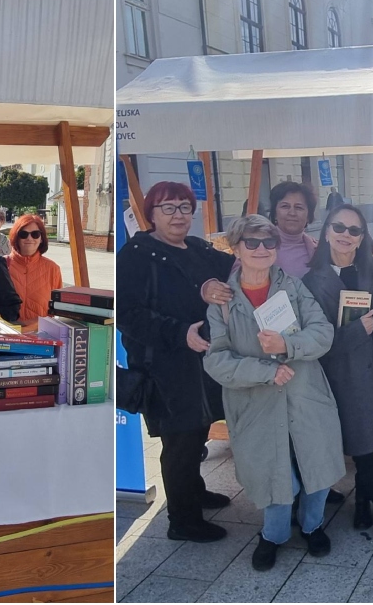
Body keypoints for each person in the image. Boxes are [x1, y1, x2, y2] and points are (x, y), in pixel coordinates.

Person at [203, 214, 343, 571]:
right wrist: (265, 371)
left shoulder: (293, 288)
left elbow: (323, 332)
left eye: (269, 242)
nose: (262, 249)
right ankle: (274, 534)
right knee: (274, 474)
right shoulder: (221, 300)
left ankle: (312, 525)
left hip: (305, 392)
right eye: (252, 242)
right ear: (236, 248)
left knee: (316, 463)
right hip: (255, 401)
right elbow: (216, 360)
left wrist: (288, 344)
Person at [116, 182, 235, 543]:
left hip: (202, 361)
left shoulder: (197, 248)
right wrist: (178, 331)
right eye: (168, 208)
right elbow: (127, 314)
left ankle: (194, 491)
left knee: (197, 430)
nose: (178, 215)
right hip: (164, 364)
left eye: (185, 207)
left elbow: (236, 265)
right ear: (151, 214)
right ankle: (182, 520)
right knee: (179, 440)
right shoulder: (136, 254)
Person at [302, 204, 373, 542]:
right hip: (341, 381)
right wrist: (356, 331)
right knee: (365, 451)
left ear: (362, 237)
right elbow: (314, 342)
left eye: (354, 230)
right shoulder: (310, 281)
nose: (346, 235)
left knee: (368, 449)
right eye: (339, 227)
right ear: (327, 231)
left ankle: (362, 504)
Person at [5, 213, 62, 323]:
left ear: (41, 238)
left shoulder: (53, 269)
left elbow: (58, 308)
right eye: (23, 234)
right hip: (8, 333)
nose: (29, 238)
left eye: (35, 234)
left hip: (41, 335)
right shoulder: (1, 265)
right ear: (16, 237)